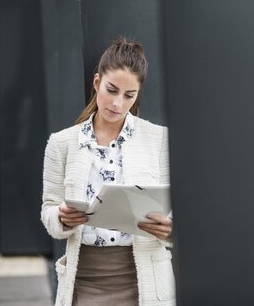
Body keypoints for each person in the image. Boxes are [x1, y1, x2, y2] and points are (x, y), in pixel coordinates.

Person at [41, 37, 176, 306]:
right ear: (96, 83)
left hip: (144, 278)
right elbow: (49, 208)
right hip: (84, 279)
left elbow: (179, 210)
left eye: (129, 96)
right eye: (111, 90)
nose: (117, 103)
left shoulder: (159, 140)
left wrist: (171, 228)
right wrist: (62, 216)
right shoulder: (62, 143)